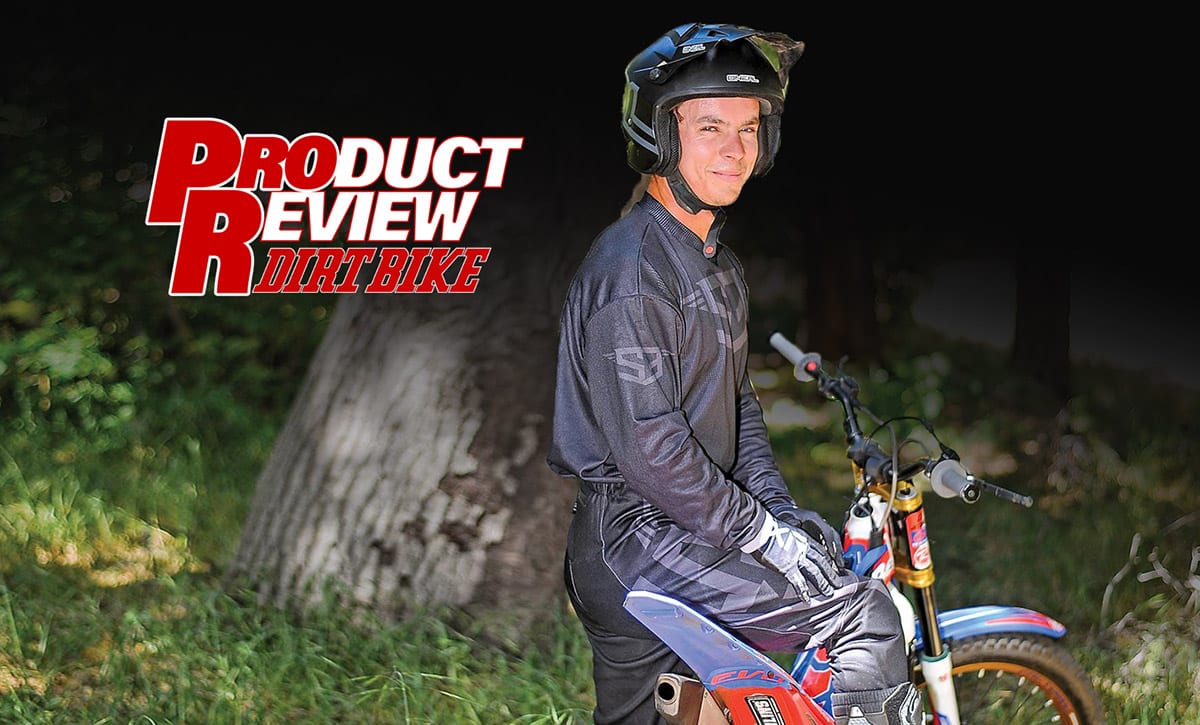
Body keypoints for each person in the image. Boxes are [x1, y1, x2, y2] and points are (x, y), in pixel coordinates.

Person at [546, 22, 922, 725]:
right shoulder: (634, 273)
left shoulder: (715, 264)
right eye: (710, 126)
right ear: (661, 135)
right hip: (639, 538)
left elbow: (738, 404)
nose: (735, 148)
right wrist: (760, 536)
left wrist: (775, 511)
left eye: (749, 128)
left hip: (671, 530)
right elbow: (653, 449)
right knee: (864, 617)